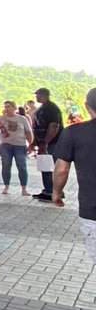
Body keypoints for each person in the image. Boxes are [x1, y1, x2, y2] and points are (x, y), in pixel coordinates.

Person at [52, 87, 96, 267]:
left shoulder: (74, 132)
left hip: (93, 211)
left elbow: (62, 169)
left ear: (87, 107)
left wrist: (56, 192)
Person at [0, 99, 33, 196]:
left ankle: (24, 188)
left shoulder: (22, 119)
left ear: (14, 108)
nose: (6, 108)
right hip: (5, 145)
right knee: (6, 165)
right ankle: (6, 186)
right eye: (5, 106)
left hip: (20, 145)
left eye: (8, 106)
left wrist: (30, 144)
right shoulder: (0, 117)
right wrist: (3, 117)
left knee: (22, 166)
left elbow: (28, 132)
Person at [33, 87, 63, 201]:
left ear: (44, 95)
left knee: (49, 167)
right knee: (46, 166)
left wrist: (45, 142)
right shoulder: (43, 108)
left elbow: (54, 126)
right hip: (45, 142)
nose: (36, 97)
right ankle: (52, 190)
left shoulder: (51, 108)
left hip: (52, 143)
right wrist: (36, 142)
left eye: (38, 95)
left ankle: (51, 191)